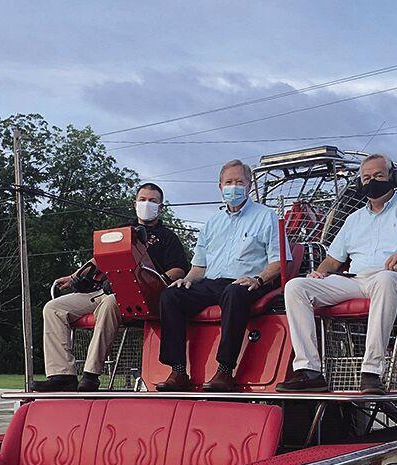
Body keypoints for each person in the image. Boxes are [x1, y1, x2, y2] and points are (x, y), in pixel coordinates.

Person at [276, 153, 397, 395]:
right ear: (359, 183)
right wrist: (318, 273)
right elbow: (332, 260)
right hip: (357, 280)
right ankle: (310, 371)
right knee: (296, 287)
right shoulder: (353, 219)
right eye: (366, 177)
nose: (372, 181)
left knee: (384, 280)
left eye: (378, 175)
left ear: (394, 177)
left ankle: (372, 372)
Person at [32, 183, 188, 392]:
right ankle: (62, 375)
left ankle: (91, 375)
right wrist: (74, 276)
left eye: (152, 201)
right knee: (53, 308)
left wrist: (157, 282)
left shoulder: (168, 237)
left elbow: (178, 270)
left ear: (160, 208)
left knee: (109, 302)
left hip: (142, 295)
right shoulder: (121, 232)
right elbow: (98, 259)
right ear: (135, 203)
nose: (146, 204)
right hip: (107, 287)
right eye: (142, 199)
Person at [155, 159, 283, 393]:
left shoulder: (267, 217)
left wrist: (259, 279)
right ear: (220, 186)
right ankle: (178, 371)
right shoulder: (212, 222)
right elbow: (199, 266)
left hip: (249, 282)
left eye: (239, 182)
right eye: (228, 182)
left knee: (234, 293)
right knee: (171, 294)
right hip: (212, 282)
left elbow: (279, 262)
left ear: (249, 185)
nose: (233, 187)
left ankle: (225, 370)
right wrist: (187, 280)